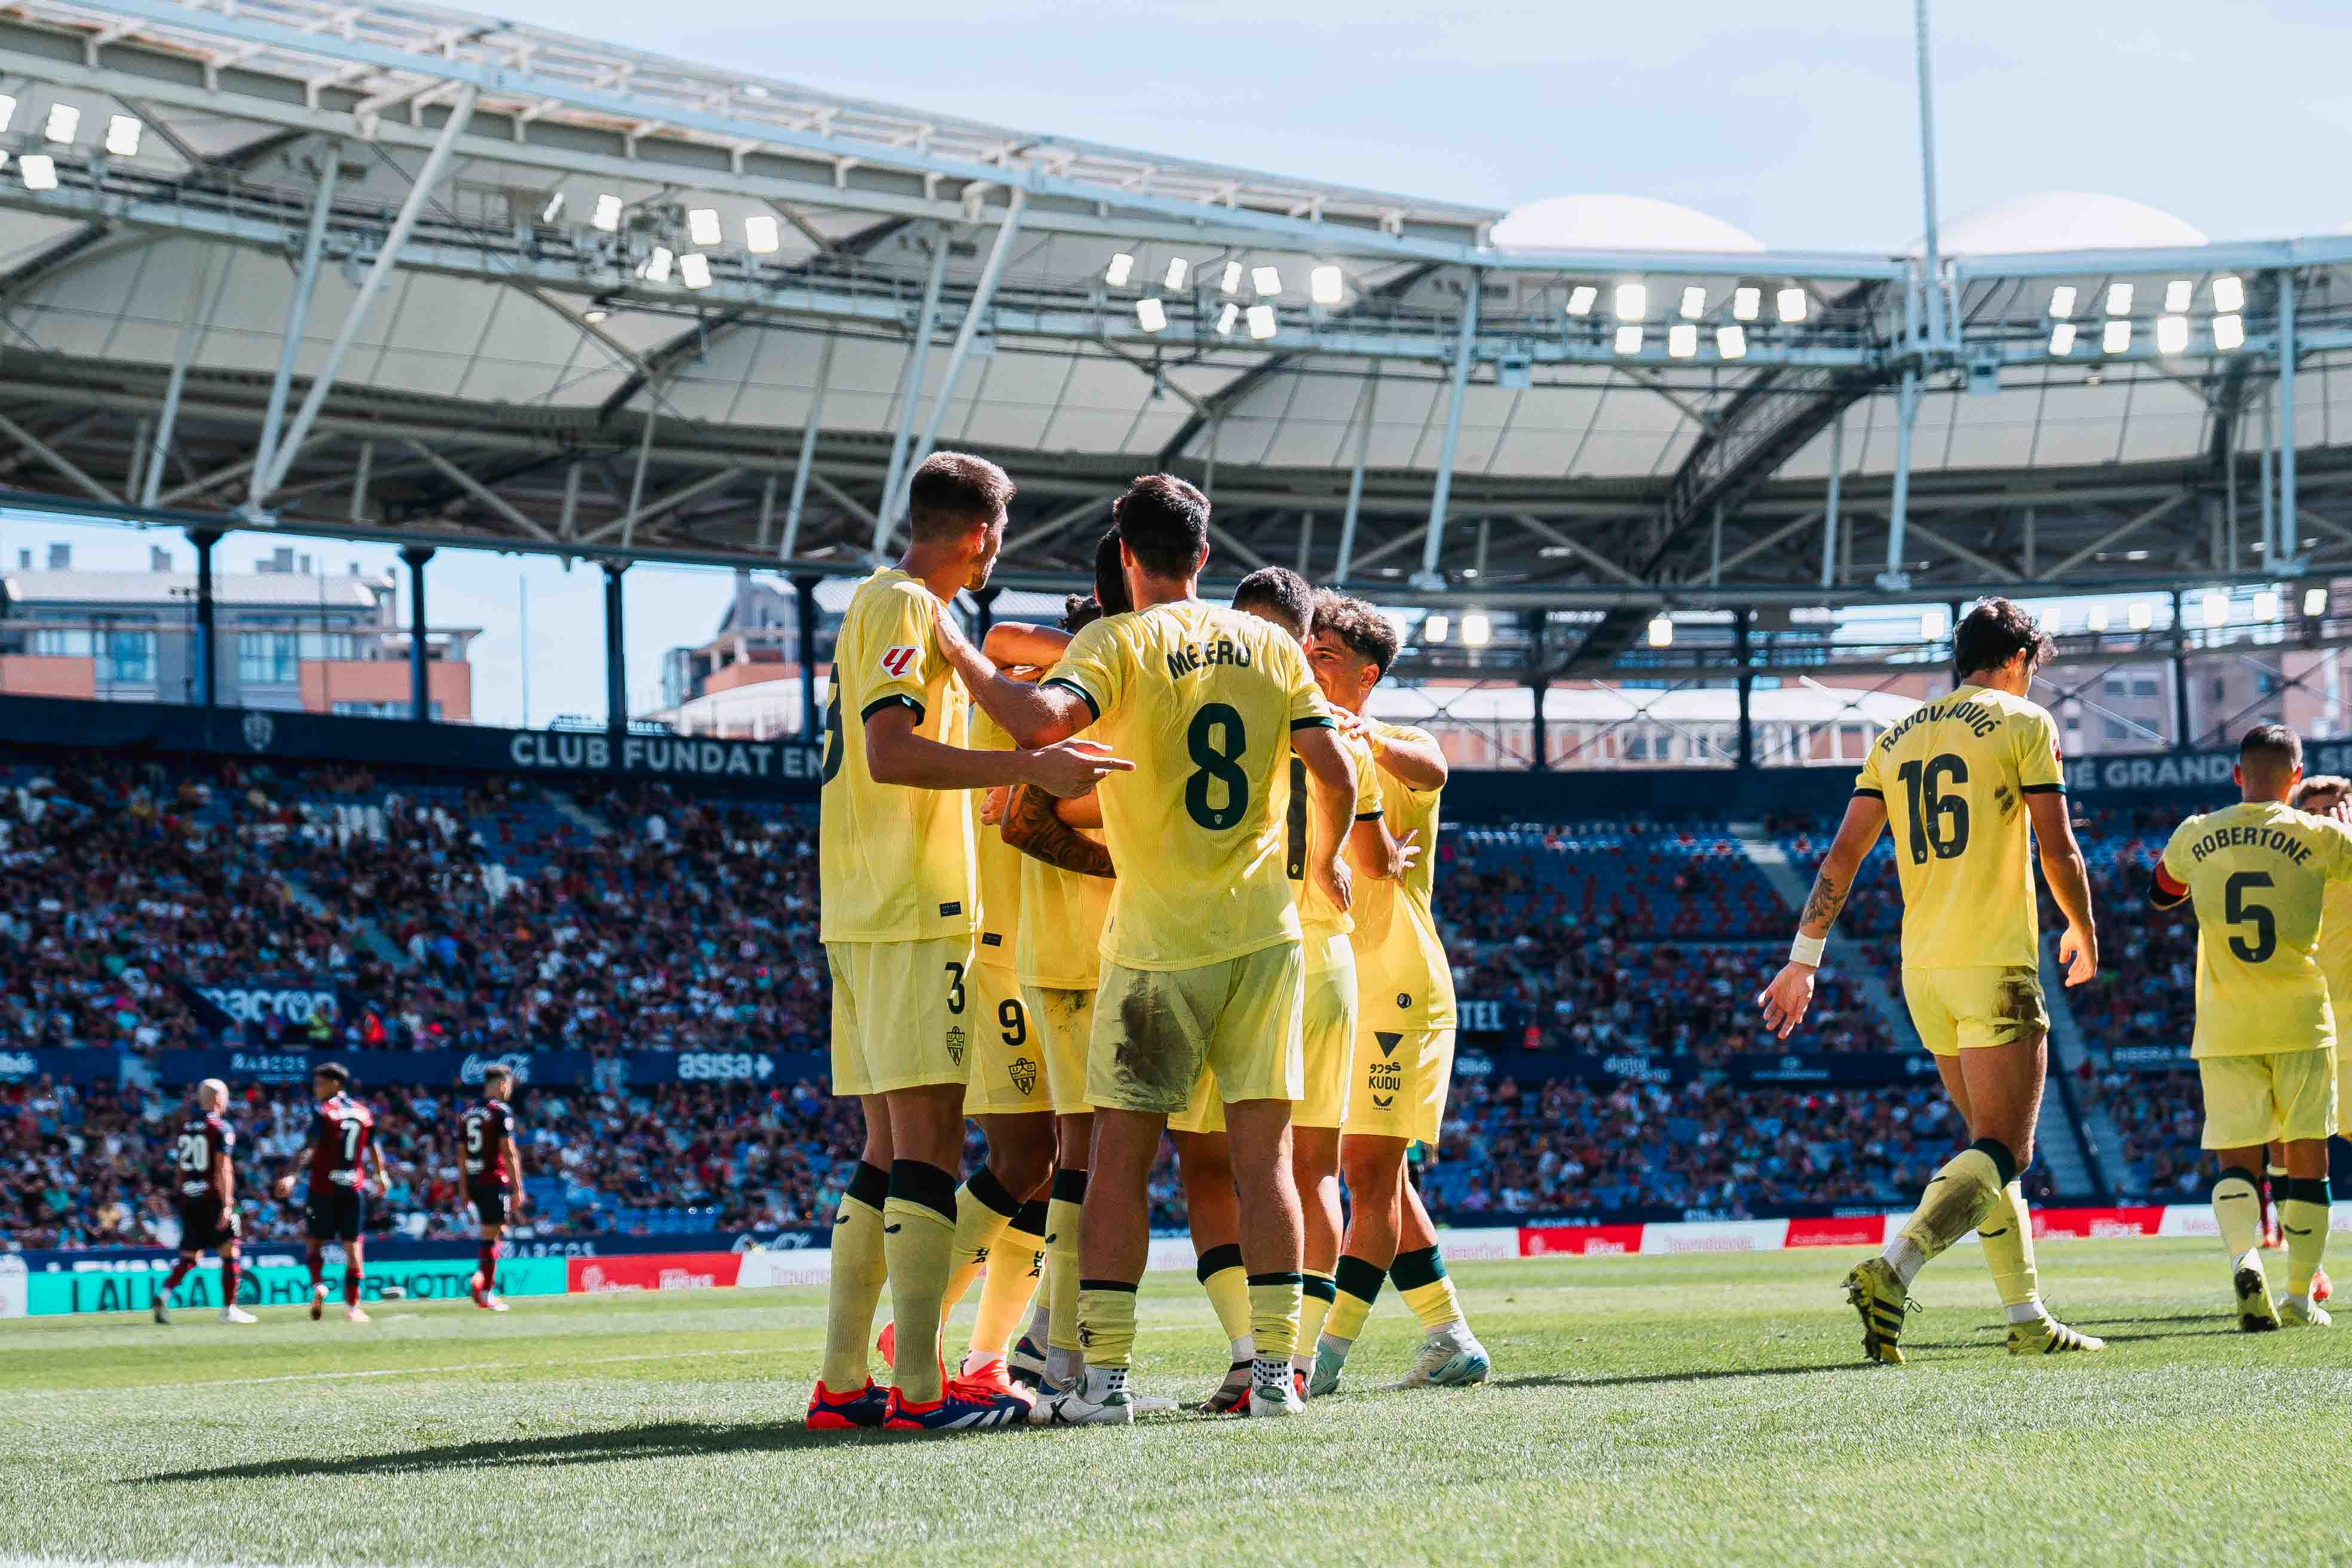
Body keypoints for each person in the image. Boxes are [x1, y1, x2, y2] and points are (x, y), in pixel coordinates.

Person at [933, 472, 1359, 1423]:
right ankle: (1279, 1379)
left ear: (1127, 557)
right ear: (1206, 556)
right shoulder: (1270, 645)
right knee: (1269, 1162)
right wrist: (1326, 861)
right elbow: (1334, 772)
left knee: (1118, 1161)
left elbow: (1041, 725)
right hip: (1266, 937)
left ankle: (1106, 1383)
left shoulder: (1116, 640)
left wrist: (959, 652)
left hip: (1160, 940)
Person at [806, 451, 1132, 1434]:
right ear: (984, 534)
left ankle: (843, 1382)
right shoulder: (907, 606)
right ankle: (917, 1390)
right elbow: (890, 750)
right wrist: (1029, 757)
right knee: (929, 1152)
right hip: (914, 906)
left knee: (883, 1151)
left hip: (862, 902)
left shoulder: (892, 604)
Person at [1758, 597, 2104, 1362]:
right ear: (2017, 659)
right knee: (2006, 1149)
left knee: (1985, 1150)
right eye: (2032, 670)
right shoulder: (2023, 724)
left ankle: (2026, 1316)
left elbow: (1840, 859)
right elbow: (2060, 848)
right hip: (1995, 963)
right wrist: (2082, 926)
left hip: (1925, 971)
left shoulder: (1894, 736)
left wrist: (1802, 960)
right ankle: (1895, 1266)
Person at [1162, 568, 1412, 1408]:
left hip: (1238, 944)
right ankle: (1292, 1363)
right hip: (1327, 958)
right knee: (1310, 1173)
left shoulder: (1217, 703)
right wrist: (1341, 858)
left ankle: (1247, 1354)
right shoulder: (1337, 727)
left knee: (1206, 1162)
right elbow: (1375, 844)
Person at [1301, 592, 1491, 1394]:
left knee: (1370, 1174)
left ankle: (1322, 1363)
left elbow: (1437, 767)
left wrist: (1365, 737)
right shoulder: (1304, 744)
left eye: (1330, 657)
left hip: (1400, 984)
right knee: (1374, 1169)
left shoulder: (1396, 742)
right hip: (1343, 980)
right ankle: (1450, 1337)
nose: (1311, 660)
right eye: (1307, 648)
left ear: (1369, 674)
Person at [2152, 726, 2352, 1329]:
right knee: (2307, 1158)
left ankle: (2245, 1258)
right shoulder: (2321, 835)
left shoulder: (2196, 832)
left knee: (2237, 1159)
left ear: (2237, 775)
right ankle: (2297, 1296)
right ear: (2295, 777)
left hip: (2225, 1022)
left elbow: (2162, 893)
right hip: (2301, 1018)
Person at [274, 1062, 390, 1324]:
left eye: (320, 1083)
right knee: (354, 1248)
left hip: (323, 1188)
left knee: (315, 1243)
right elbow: (373, 1147)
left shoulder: (323, 1112)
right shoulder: (363, 1112)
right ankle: (353, 1308)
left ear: (335, 1084)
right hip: (353, 1188)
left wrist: (292, 1174)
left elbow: (309, 1148)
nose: (316, 1089)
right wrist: (380, 1174)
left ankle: (318, 1286)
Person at [152, 1077, 256, 1325]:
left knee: (190, 1256)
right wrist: (228, 1203)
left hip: (190, 1198)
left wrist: (183, 1194)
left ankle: (163, 1294)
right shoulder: (221, 1128)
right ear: (219, 1099)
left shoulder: (188, 1128)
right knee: (231, 1250)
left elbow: (180, 1168)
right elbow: (223, 1168)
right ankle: (229, 1309)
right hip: (212, 1198)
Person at [459, 1064, 525, 1313]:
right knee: (491, 1234)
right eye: (508, 1085)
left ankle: (483, 1282)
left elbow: (460, 1154)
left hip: (474, 1180)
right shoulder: (500, 1111)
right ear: (501, 1084)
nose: (509, 1091)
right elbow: (508, 1152)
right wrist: (518, 1188)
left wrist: (464, 1189)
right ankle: (484, 1289)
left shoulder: (467, 1113)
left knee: (495, 1232)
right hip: (493, 1180)